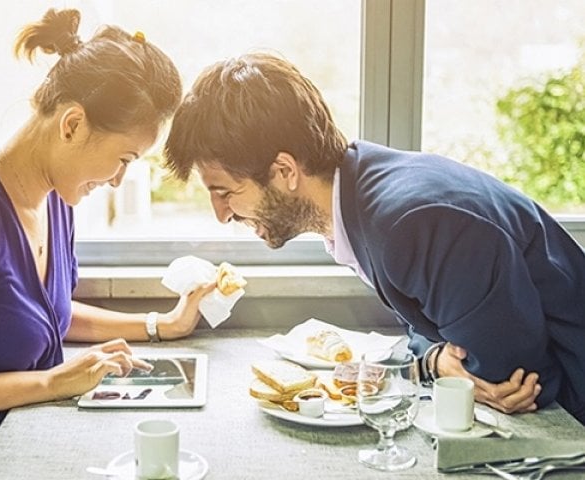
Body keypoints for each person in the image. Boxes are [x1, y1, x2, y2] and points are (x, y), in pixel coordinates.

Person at [164, 52, 585, 424]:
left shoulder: (409, 224)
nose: (222, 215)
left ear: (286, 171)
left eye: (225, 192)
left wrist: (436, 362)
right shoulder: (360, 194)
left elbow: (512, 380)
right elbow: (431, 329)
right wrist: (435, 360)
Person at [0, 9, 214, 479]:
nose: (117, 179)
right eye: (123, 159)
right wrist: (51, 381)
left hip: (28, 443)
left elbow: (41, 316)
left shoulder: (56, 200)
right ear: (72, 125)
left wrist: (160, 325)